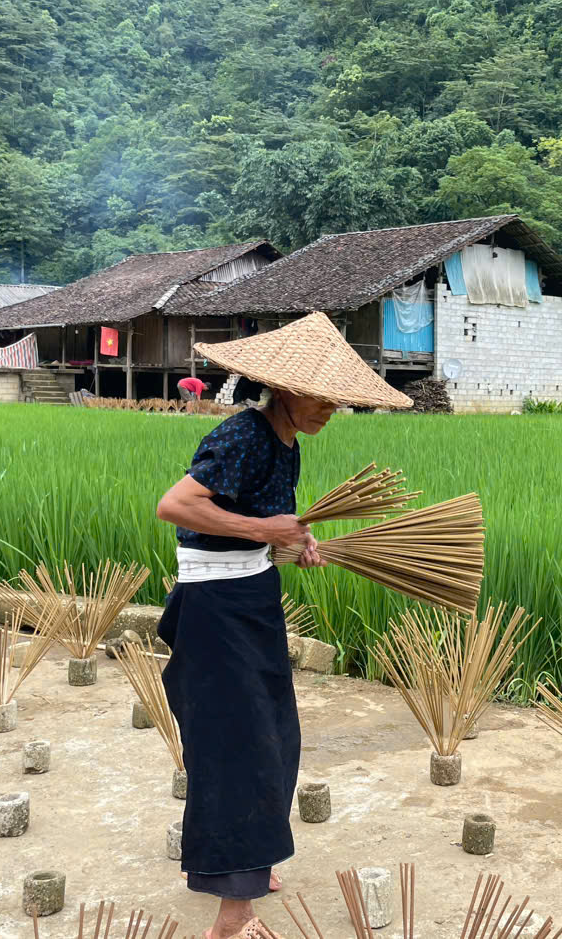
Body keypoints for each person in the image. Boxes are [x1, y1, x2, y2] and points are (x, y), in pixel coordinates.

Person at [154, 314, 411, 939]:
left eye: (338, 400)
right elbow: (177, 506)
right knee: (239, 748)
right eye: (320, 396)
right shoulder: (244, 433)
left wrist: (296, 539)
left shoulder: (285, 442)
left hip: (253, 598)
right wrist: (266, 532)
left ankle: (255, 861)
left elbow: (261, 518)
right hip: (216, 609)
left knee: (275, 737)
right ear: (285, 388)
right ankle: (232, 912)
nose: (330, 409)